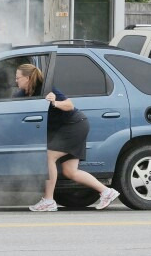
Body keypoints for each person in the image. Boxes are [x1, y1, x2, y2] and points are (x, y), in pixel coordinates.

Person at [13, 64, 120, 212]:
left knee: (48, 158)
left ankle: (49, 200)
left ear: (28, 78)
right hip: (71, 127)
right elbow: (10, 102)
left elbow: (69, 105)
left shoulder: (46, 88)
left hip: (73, 126)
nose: (16, 81)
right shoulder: (25, 92)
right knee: (70, 171)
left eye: (18, 78)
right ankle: (107, 192)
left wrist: (54, 102)